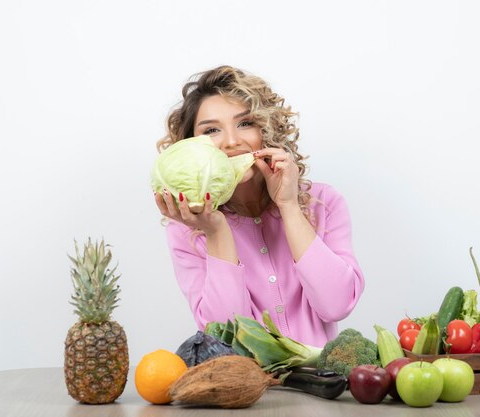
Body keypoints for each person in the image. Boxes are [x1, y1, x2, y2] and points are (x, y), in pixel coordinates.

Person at [154, 65, 364, 347]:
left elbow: (337, 305)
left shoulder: (324, 203)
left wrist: (288, 205)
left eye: (245, 123)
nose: (231, 142)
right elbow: (222, 335)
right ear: (192, 145)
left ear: (267, 128)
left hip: (320, 385)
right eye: (212, 130)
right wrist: (216, 233)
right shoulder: (187, 231)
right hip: (247, 388)